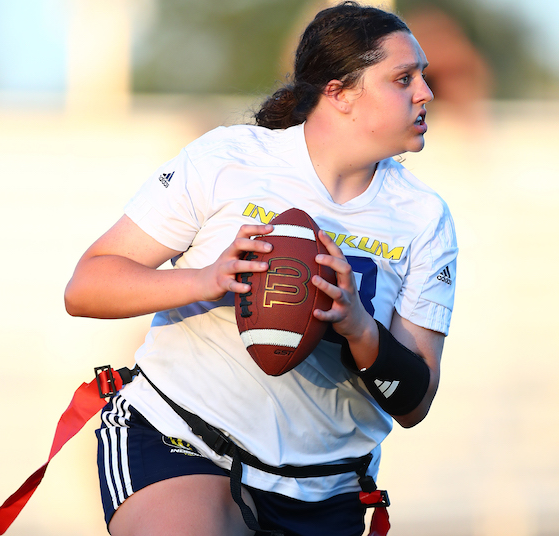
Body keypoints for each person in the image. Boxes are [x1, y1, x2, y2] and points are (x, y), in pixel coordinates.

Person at [64, 2, 457, 535]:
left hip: (323, 486)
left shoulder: (423, 216)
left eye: (423, 77)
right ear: (339, 92)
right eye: (403, 78)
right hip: (183, 435)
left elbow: (415, 401)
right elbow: (86, 287)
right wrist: (208, 279)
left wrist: (358, 325)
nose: (425, 93)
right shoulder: (227, 159)